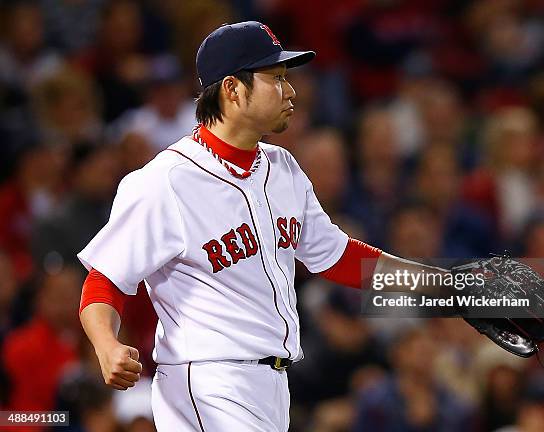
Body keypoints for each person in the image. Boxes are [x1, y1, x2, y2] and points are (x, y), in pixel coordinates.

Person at [78, 21, 453, 432]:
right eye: (275, 78)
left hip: (272, 383)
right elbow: (106, 279)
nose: (290, 91)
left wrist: (448, 288)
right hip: (207, 382)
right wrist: (106, 344)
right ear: (232, 89)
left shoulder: (282, 168)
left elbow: (339, 258)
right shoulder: (165, 181)